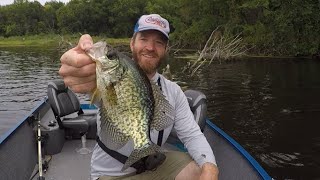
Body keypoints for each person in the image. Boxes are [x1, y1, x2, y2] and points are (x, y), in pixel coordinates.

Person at [59, 14, 219, 180]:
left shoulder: (173, 91)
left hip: (153, 167)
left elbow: (192, 135)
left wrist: (211, 168)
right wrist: (79, 70)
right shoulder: (105, 79)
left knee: (199, 170)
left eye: (159, 42)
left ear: (165, 49)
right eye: (144, 39)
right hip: (110, 176)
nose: (150, 47)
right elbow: (87, 84)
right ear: (132, 43)